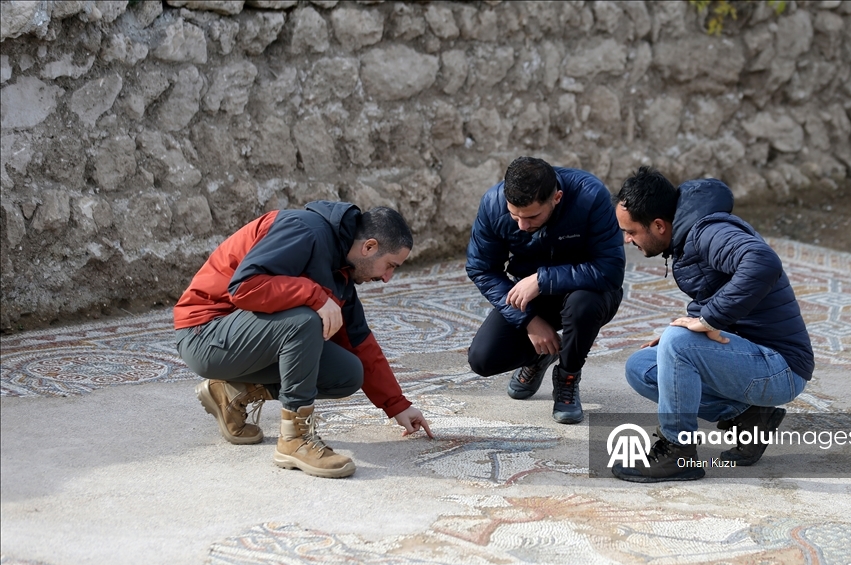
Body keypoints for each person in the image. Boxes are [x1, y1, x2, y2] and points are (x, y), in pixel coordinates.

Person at [174, 201, 433, 479]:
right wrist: (315, 296)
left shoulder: (342, 269)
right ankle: (294, 440)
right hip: (205, 335)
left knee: (348, 373)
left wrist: (398, 405)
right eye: (390, 265)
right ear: (369, 247)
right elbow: (245, 287)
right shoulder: (303, 230)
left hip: (238, 341)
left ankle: (231, 392)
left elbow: (359, 342)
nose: (386, 278)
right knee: (304, 319)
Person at [612, 167, 814, 482]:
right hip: (749, 354)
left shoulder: (708, 231)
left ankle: (678, 453)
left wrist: (706, 321)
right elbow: (718, 290)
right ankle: (750, 418)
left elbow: (763, 263)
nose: (626, 239)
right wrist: (683, 336)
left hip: (781, 366)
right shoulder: (686, 236)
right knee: (641, 367)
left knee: (676, 344)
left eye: (631, 231)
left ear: (659, 225)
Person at [466, 157, 626, 424]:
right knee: (483, 359)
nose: (522, 226)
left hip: (590, 292)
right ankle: (541, 355)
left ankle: (567, 376)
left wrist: (542, 279)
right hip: (532, 299)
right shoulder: (493, 204)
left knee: (583, 305)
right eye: (514, 215)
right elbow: (481, 269)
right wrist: (528, 320)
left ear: (557, 198)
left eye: (531, 217)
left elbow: (610, 270)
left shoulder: (590, 195)